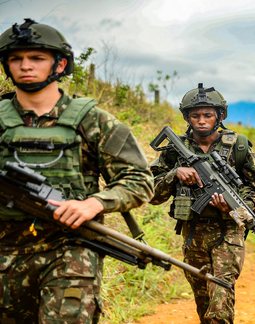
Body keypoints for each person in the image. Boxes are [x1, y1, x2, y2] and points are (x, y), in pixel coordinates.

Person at [0, 19, 154, 323]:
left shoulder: (95, 122)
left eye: (36, 58)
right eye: (15, 59)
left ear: (59, 65)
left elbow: (138, 180)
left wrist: (93, 204)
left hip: (70, 249)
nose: (25, 66)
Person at [150, 83, 255, 323]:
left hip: (228, 232)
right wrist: (174, 174)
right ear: (187, 117)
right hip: (193, 234)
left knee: (220, 301)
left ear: (220, 115)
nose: (202, 121)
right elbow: (151, 194)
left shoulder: (238, 147)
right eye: (195, 115)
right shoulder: (176, 151)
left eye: (208, 115)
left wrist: (233, 207)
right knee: (204, 303)